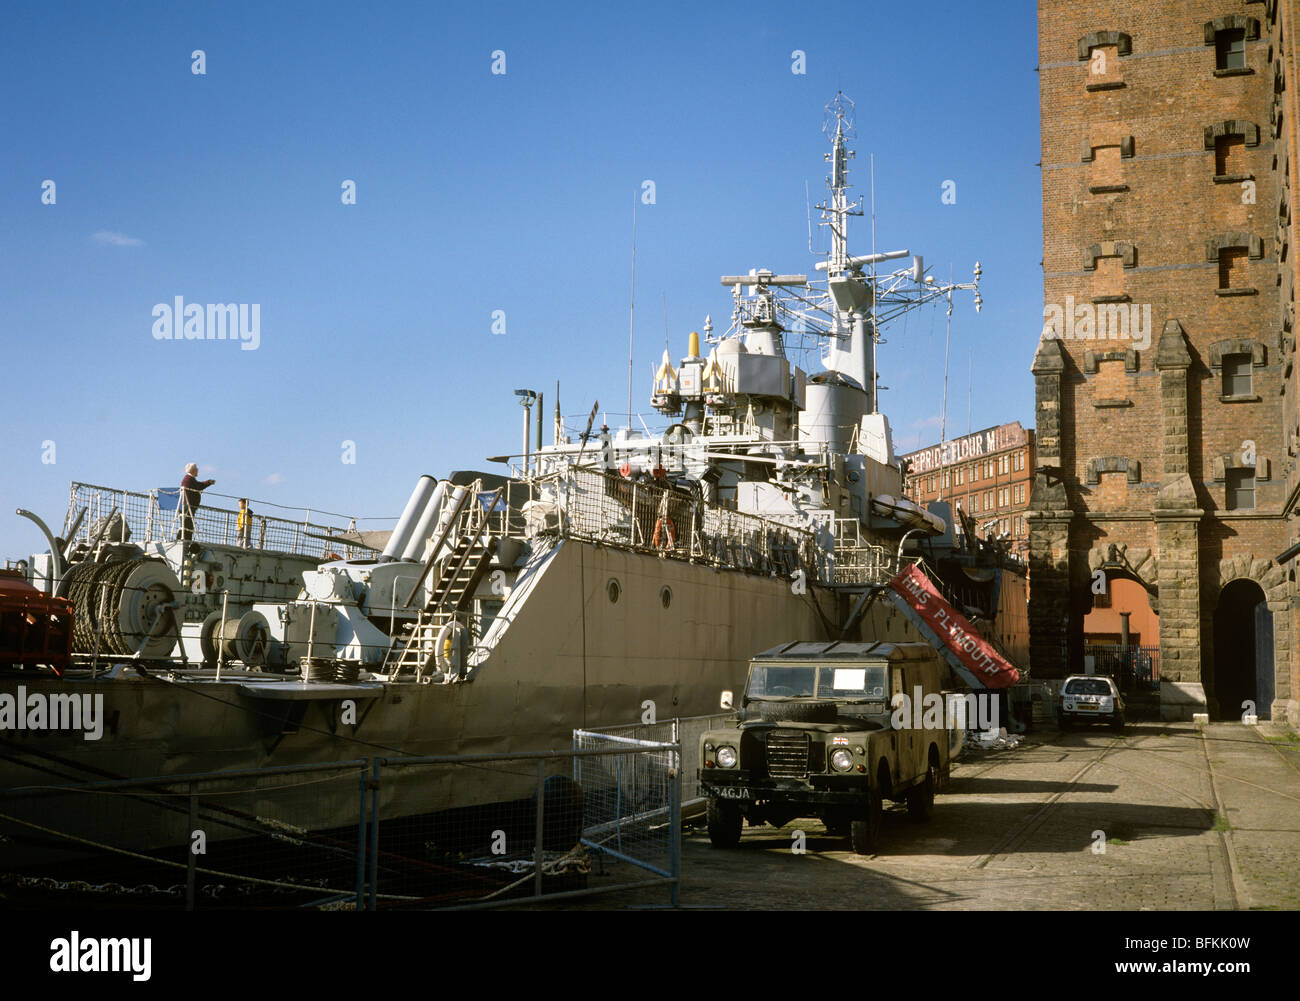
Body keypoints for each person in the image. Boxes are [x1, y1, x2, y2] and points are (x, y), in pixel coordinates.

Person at [179, 463, 215, 541]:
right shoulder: (188, 479)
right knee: (187, 525)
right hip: (188, 506)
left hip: (187, 506)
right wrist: (208, 483)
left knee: (186, 524)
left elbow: (198, 486)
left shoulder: (189, 479)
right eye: (197, 469)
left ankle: (183, 539)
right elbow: (197, 486)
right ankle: (185, 540)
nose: (198, 470)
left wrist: (207, 482)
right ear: (193, 470)